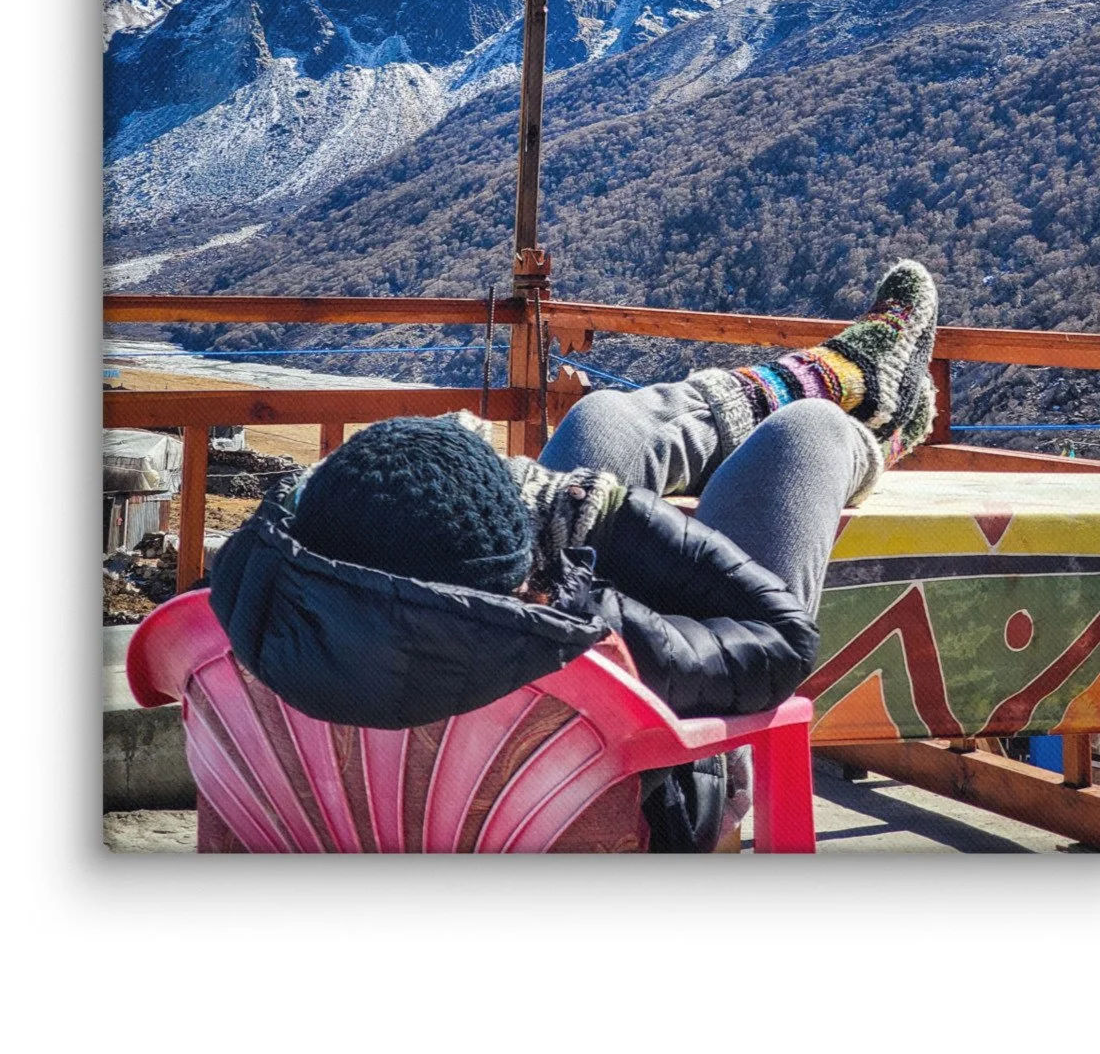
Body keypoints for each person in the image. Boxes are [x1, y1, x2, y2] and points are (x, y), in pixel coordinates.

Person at [207, 261, 940, 850]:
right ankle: (851, 404)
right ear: (524, 589)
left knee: (603, 417)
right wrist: (603, 516)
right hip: (645, 777)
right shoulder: (586, 640)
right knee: (802, 438)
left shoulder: (241, 626)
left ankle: (839, 382)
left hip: (506, 753)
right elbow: (779, 641)